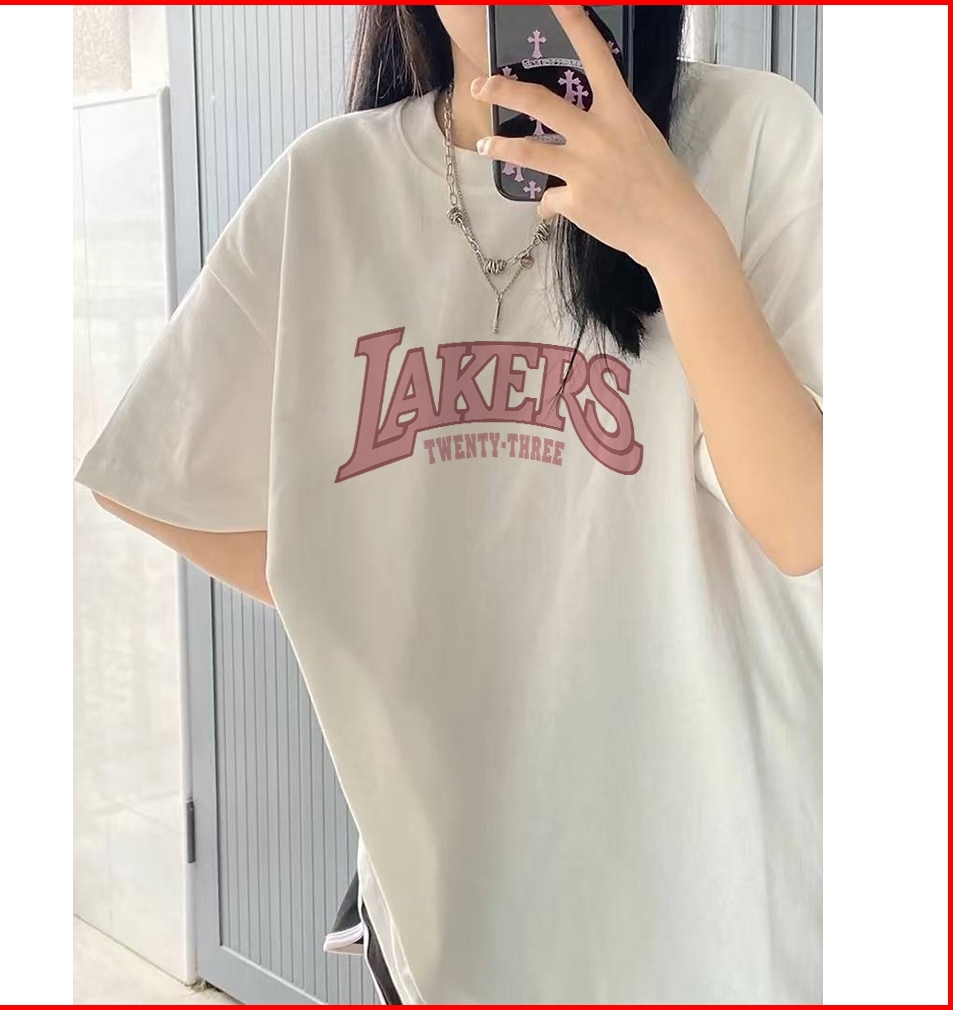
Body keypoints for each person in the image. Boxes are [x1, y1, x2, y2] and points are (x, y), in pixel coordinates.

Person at [75, 5, 823, 1003]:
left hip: (720, 907)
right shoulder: (330, 186)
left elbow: (804, 520)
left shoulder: (758, 136)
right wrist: (384, 598)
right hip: (450, 917)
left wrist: (676, 234)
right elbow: (158, 471)